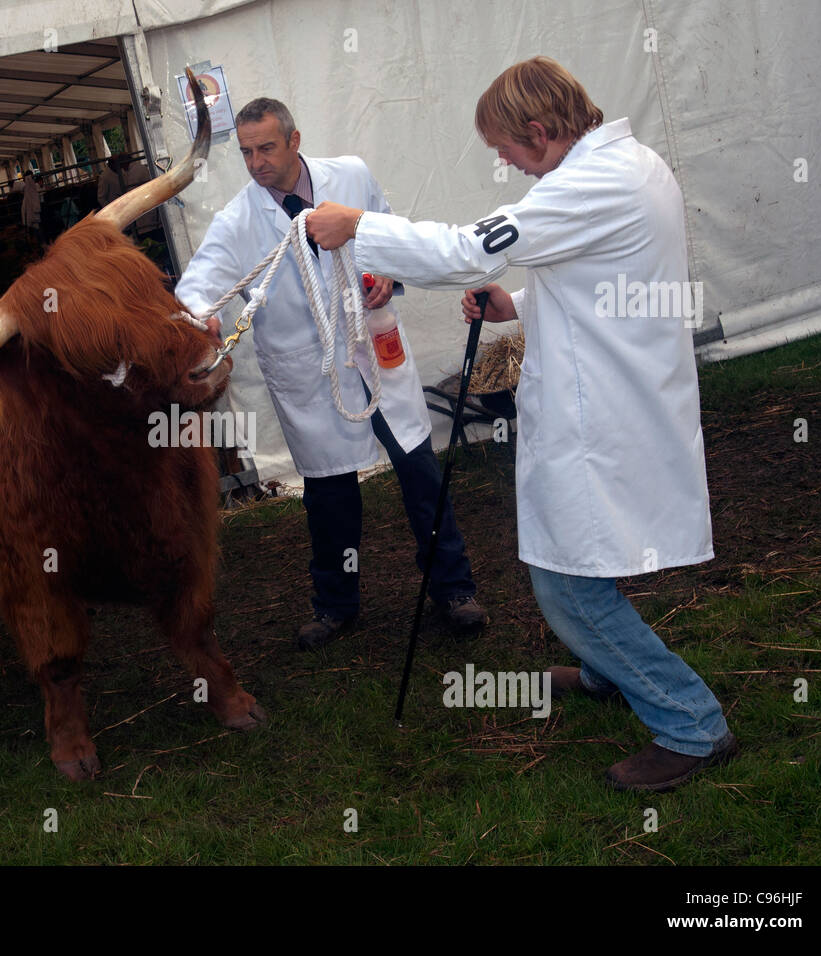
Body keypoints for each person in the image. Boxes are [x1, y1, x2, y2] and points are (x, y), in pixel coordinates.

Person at [306, 56, 737, 791]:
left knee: (566, 581)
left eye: (505, 148)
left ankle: (690, 722)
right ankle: (610, 674)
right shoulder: (631, 165)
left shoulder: (588, 183)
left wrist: (357, 228)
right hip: (613, 391)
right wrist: (521, 306)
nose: (503, 161)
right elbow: (609, 286)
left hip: (603, 412)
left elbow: (468, 248)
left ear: (539, 130)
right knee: (584, 556)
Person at [175, 97, 487, 651]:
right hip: (312, 379)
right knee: (329, 498)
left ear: (295, 141)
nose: (256, 162)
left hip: (377, 352)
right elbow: (198, 294)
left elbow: (392, 241)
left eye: (266, 148)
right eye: (246, 152)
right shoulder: (237, 223)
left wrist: (388, 276)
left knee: (420, 475)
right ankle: (336, 604)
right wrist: (194, 329)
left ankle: (454, 588)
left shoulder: (352, 176)